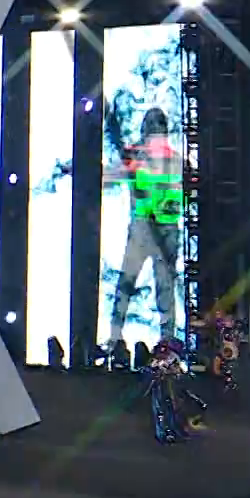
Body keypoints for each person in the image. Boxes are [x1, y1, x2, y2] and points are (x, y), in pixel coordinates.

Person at [107, 107, 184, 355]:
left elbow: (176, 199)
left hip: (163, 233)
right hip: (143, 232)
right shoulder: (136, 159)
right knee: (127, 283)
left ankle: (166, 341)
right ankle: (115, 338)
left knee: (163, 288)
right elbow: (110, 176)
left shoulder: (175, 162)